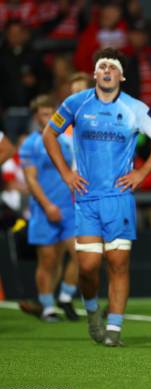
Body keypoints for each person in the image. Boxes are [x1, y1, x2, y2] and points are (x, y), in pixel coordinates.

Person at [43, 47, 151, 347]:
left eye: (112, 67)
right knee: (87, 267)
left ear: (121, 75)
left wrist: (142, 174)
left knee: (118, 264)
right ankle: (92, 313)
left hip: (119, 199)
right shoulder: (76, 103)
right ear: (94, 72)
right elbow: (49, 134)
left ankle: (114, 327)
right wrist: (66, 174)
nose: (106, 71)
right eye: (102, 66)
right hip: (87, 198)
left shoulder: (134, 108)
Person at [20, 95, 79, 322]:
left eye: (51, 113)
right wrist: (47, 205)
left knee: (80, 254)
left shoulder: (66, 140)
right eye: (44, 113)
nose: (48, 117)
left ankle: (65, 295)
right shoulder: (30, 143)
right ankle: (47, 306)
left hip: (69, 207)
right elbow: (31, 179)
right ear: (36, 116)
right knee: (48, 260)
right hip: (44, 209)